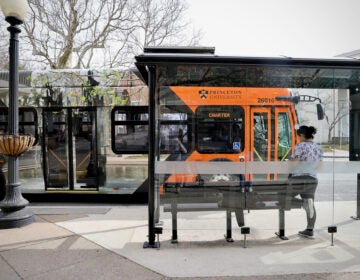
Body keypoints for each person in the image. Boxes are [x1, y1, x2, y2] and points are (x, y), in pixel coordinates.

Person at [289, 125, 323, 238]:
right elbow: (319, 166)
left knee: (283, 197)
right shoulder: (318, 148)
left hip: (299, 179)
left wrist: (289, 161)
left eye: (299, 136)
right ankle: (310, 229)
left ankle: (303, 203)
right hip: (312, 179)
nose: (298, 138)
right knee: (311, 204)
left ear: (302, 136)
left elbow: (293, 162)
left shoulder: (300, 146)